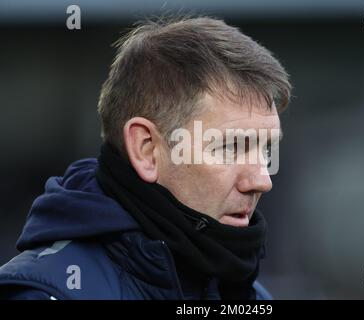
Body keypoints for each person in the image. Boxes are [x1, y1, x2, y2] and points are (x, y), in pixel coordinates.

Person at [0, 16, 291, 300]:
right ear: (146, 149)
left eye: (266, 150)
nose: (262, 180)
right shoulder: (44, 294)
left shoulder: (249, 294)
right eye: (231, 147)